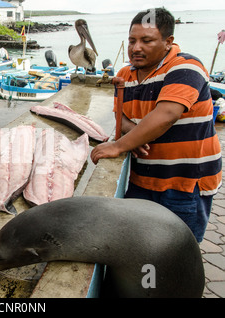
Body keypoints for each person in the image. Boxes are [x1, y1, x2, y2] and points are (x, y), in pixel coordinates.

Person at [90, 8, 222, 242]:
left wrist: (120, 146)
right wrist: (136, 136)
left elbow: (167, 114)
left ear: (168, 42)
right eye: (132, 40)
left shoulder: (185, 68)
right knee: (138, 243)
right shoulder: (124, 75)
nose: (136, 47)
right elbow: (121, 116)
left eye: (146, 40)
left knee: (177, 250)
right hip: (143, 181)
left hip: (184, 184)